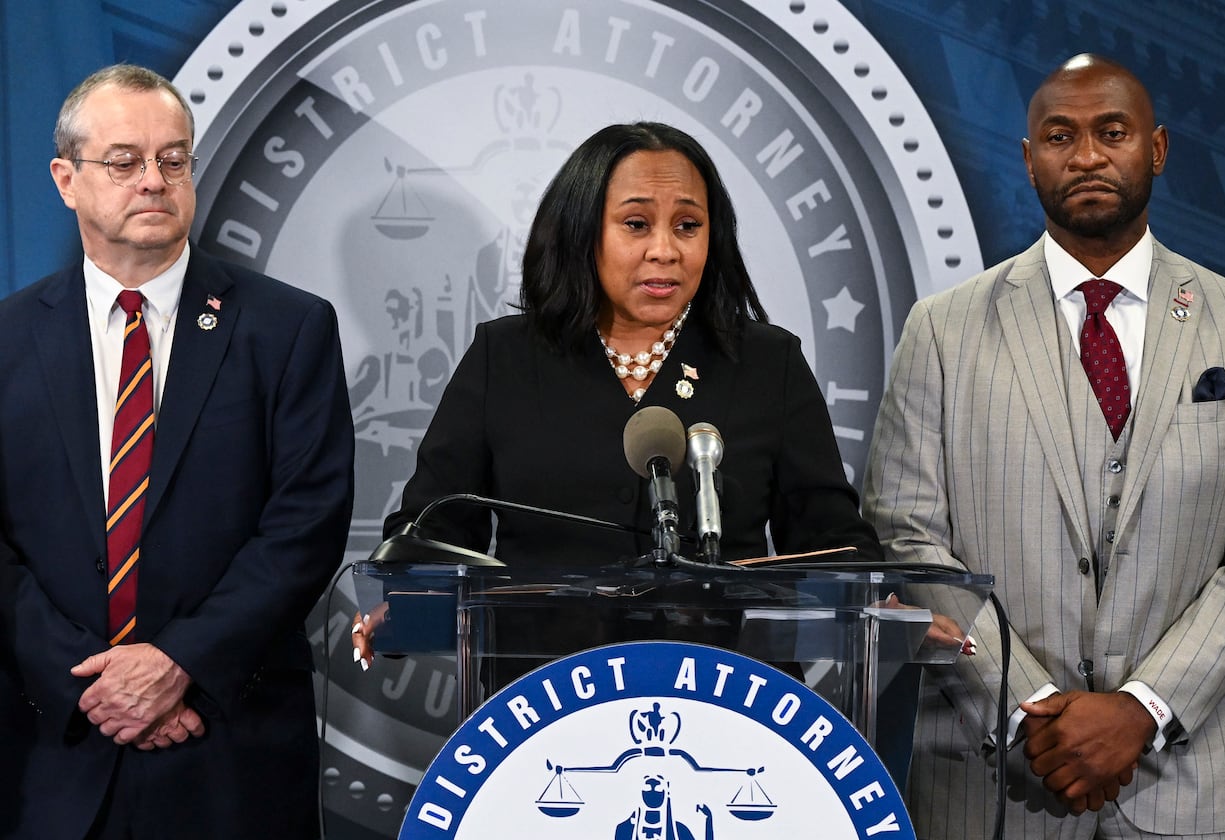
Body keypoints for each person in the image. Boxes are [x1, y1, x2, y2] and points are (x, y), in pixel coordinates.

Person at [862, 53, 1225, 839]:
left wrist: (1143, 708)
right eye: (1059, 136)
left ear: (1157, 148)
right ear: (1028, 158)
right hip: (994, 780)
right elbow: (906, 537)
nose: (1085, 157)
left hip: (1192, 785)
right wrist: (1031, 708)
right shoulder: (941, 330)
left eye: (1111, 132)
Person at [354, 121, 881, 665]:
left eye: (688, 226)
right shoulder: (505, 357)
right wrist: (410, 604)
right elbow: (434, 526)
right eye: (636, 224)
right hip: (544, 691)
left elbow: (832, 540)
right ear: (582, 232)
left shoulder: (768, 363)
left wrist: (881, 603)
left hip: (725, 691)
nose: (665, 250)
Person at [0, 64, 355, 839]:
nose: (154, 181)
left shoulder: (288, 329)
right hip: (52, 752)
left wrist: (179, 663)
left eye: (172, 159)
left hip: (229, 747)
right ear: (65, 180)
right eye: (124, 161)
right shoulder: (7, 340)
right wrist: (93, 685)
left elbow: (306, 524)